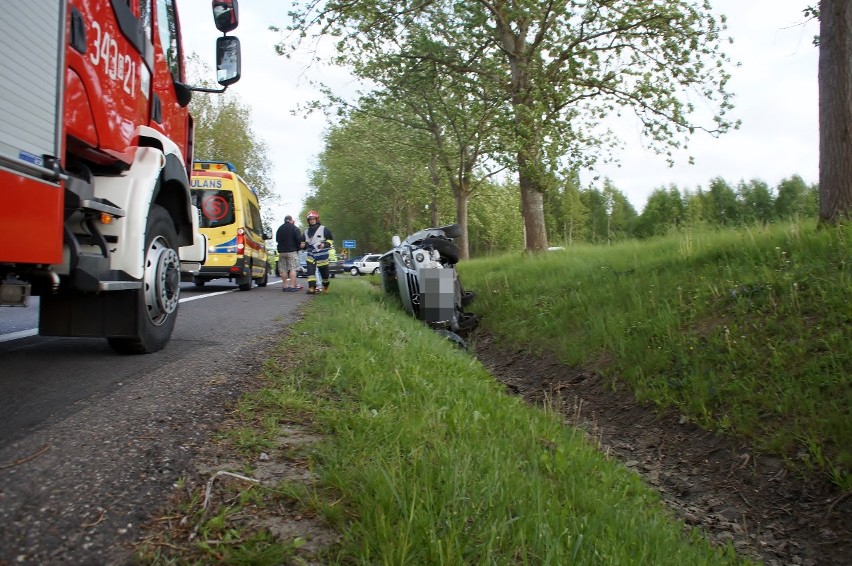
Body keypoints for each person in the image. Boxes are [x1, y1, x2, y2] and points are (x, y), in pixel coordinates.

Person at [300, 210, 334, 294]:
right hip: (311, 253)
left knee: (324, 273)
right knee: (310, 272)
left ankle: (325, 286)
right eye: (310, 219)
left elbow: (330, 240)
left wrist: (324, 244)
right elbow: (303, 243)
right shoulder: (306, 232)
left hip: (322, 254)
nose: (312, 220)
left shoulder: (324, 229)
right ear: (308, 220)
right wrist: (302, 245)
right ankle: (312, 287)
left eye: (313, 219)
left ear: (316, 219)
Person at [275, 215, 303, 292]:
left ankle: (285, 286)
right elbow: (299, 240)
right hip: (292, 251)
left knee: (283, 269)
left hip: (282, 252)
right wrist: (299, 248)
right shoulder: (294, 228)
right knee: (292, 269)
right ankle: (292, 286)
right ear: (291, 220)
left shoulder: (279, 229)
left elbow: (277, 240)